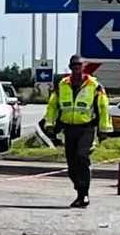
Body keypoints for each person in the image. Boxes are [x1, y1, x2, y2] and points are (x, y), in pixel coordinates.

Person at [41, 55, 111, 208]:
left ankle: (84, 193)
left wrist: (103, 129)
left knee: (81, 157)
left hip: (86, 127)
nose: (76, 67)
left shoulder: (94, 85)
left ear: (83, 66)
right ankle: (79, 191)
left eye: (79, 65)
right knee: (72, 164)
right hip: (69, 128)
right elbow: (53, 106)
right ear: (70, 67)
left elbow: (103, 108)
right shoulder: (62, 84)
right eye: (74, 65)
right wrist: (49, 123)